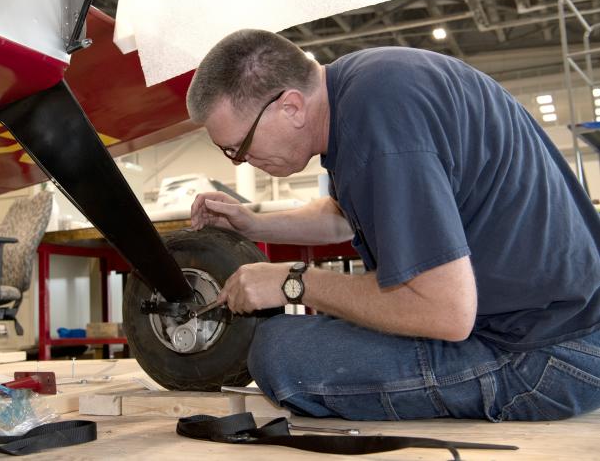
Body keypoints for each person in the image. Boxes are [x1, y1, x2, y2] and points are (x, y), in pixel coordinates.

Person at [187, 29, 600, 421]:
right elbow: (344, 221)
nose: (240, 162)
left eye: (237, 148)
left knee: (281, 354)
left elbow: (444, 311)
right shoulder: (366, 87)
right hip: (559, 327)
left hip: (545, 356)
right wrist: (254, 225)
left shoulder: (378, 126)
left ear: (291, 106)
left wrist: (292, 281)